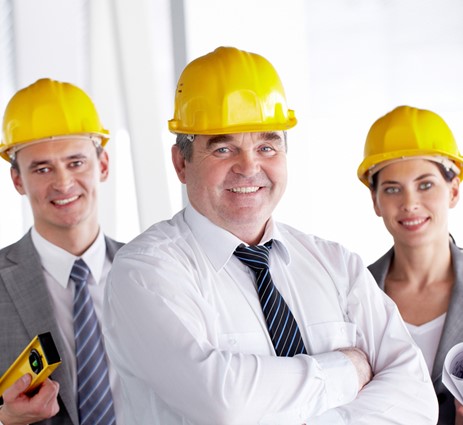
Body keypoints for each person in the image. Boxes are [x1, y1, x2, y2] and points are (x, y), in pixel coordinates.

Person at [103, 46, 438, 424]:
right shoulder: (145, 273)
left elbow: (415, 402)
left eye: (267, 145)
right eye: (224, 148)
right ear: (182, 162)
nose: (249, 167)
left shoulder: (336, 265)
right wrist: (349, 369)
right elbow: (223, 404)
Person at [0, 78, 123, 425]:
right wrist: (5, 418)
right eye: (42, 168)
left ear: (102, 165)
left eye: (76, 162)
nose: (63, 182)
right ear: (18, 181)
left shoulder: (155, 270)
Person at [357, 105, 463, 425]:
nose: (409, 203)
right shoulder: (352, 294)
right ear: (376, 201)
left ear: (454, 190)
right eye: (392, 189)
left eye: (425, 184)